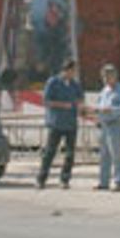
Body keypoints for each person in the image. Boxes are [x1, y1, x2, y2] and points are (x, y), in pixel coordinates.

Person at [37, 59, 83, 189]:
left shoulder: (75, 84)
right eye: (73, 71)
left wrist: (81, 106)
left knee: (70, 154)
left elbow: (80, 99)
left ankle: (65, 179)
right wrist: (62, 105)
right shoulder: (53, 82)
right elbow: (46, 101)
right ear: (66, 70)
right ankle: (41, 178)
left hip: (71, 124)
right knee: (50, 152)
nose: (74, 74)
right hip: (56, 123)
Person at [94, 64, 120, 191]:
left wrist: (111, 110)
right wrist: (97, 115)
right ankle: (103, 182)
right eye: (104, 76)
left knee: (116, 155)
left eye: (108, 76)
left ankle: (119, 182)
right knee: (104, 155)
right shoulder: (104, 91)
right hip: (103, 125)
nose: (106, 79)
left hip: (115, 125)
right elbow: (99, 105)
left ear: (115, 76)